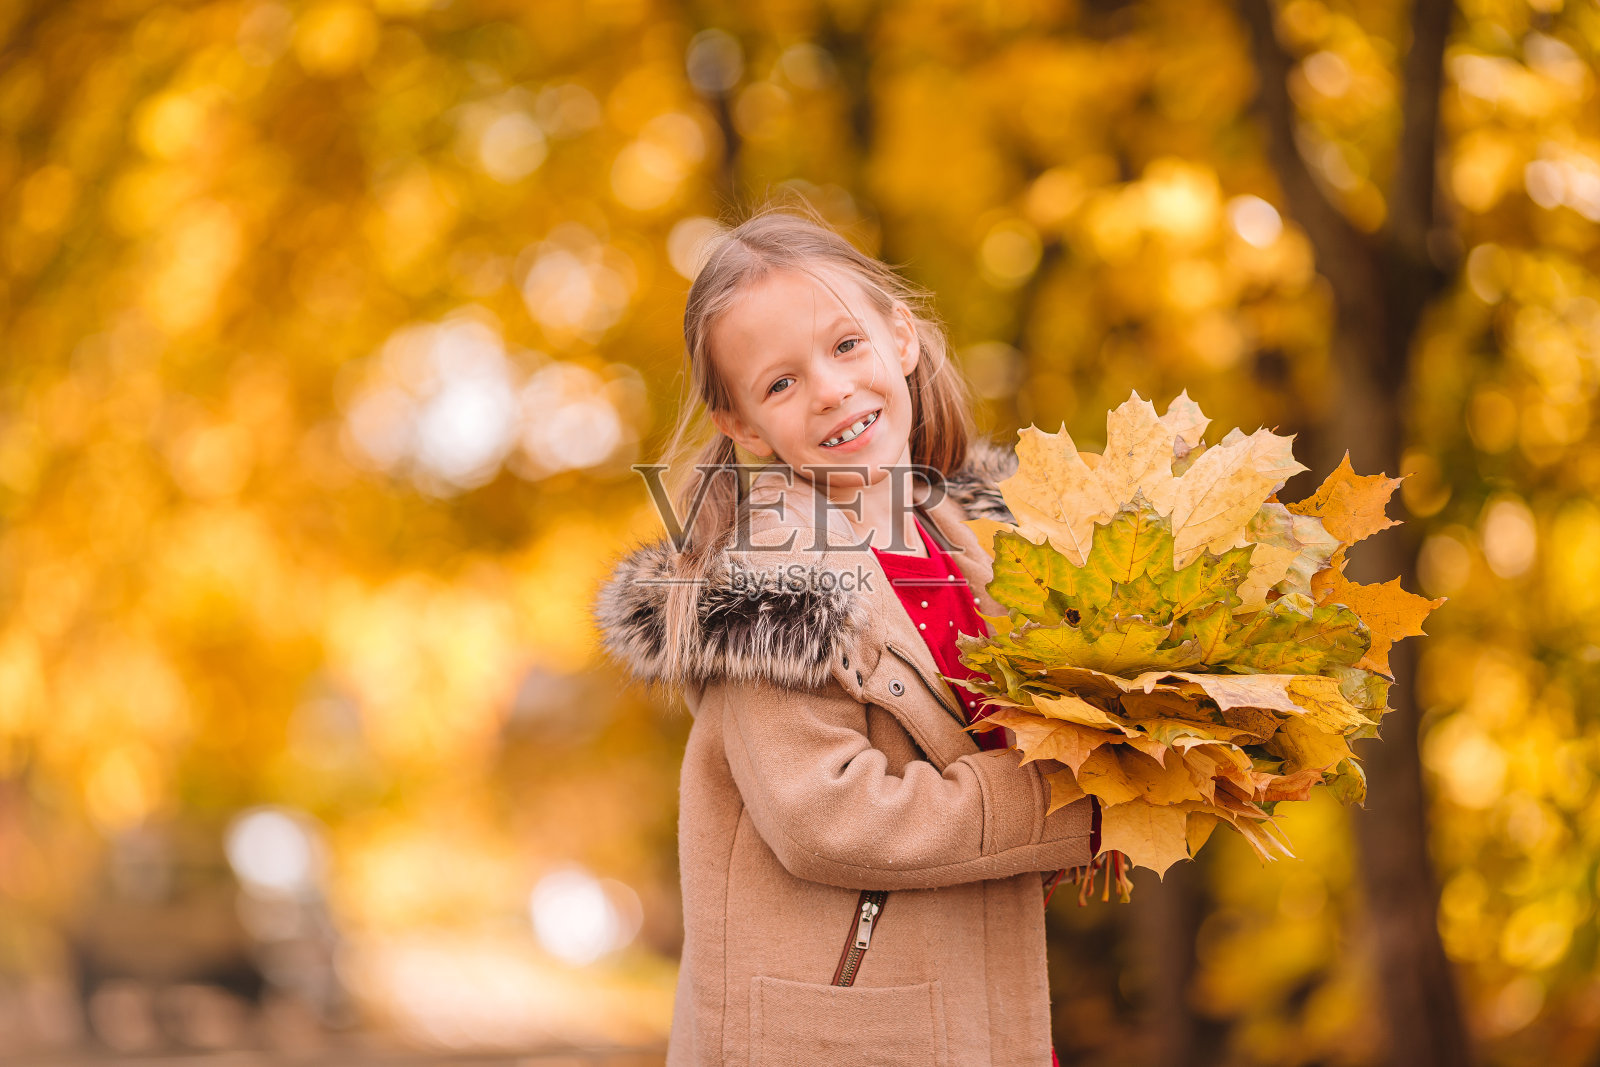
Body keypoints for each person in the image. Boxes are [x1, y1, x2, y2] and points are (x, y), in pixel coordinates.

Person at [592, 206, 1098, 1066]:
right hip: (840, 1037)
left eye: (846, 345)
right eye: (780, 383)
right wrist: (1066, 807)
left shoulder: (996, 556)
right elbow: (824, 815)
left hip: (978, 1012)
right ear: (743, 426)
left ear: (900, 337)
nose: (829, 389)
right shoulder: (769, 583)